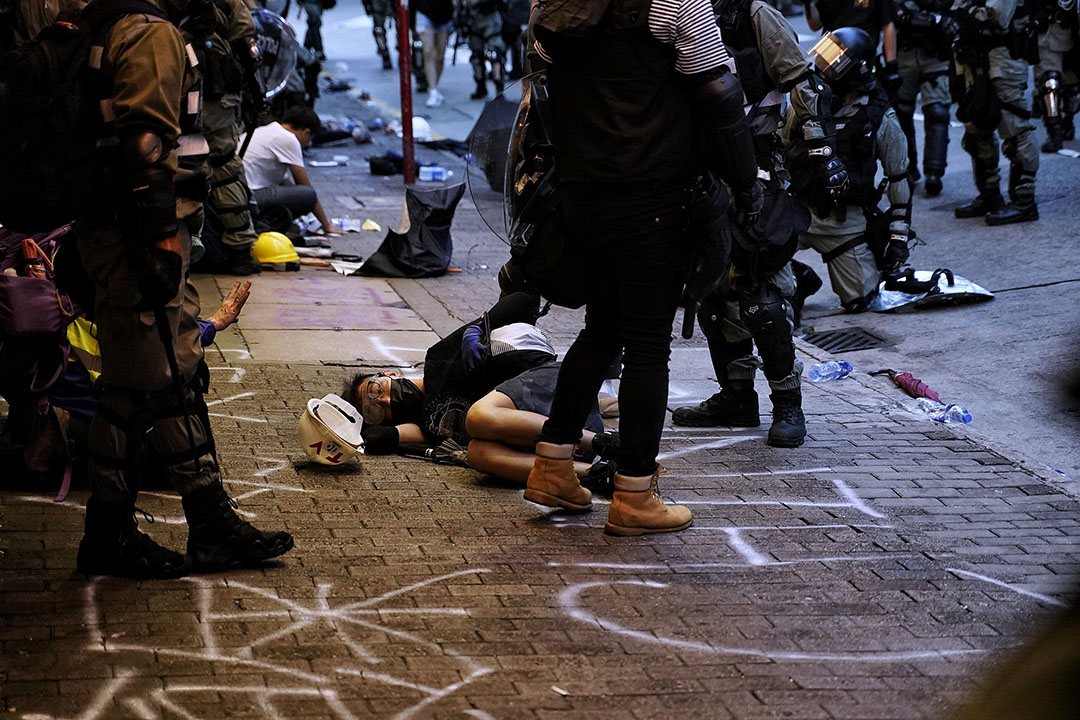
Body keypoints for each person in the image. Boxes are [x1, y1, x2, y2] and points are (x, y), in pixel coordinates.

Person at [520, 0, 762, 535]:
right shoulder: (674, 4)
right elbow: (720, 93)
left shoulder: (557, 7)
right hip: (651, 196)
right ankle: (634, 494)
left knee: (602, 328)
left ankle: (552, 465)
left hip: (581, 194)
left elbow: (542, 84)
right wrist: (746, 183)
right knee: (648, 344)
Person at [75, 0, 293, 579]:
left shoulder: (132, 25)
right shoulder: (150, 36)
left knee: (143, 378)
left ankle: (131, 530)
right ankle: (187, 527)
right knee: (164, 376)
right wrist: (159, 245)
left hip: (137, 236)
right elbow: (145, 147)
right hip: (140, 238)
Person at [672, 0, 843, 448]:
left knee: (762, 297)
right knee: (711, 291)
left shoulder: (753, 14)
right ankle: (736, 395)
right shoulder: (669, 11)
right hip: (699, 172)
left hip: (758, 169)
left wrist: (821, 150)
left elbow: (804, 84)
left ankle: (788, 403)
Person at [786, 27, 913, 312]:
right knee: (751, 274)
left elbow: (899, 177)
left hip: (843, 221)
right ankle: (797, 278)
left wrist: (898, 237)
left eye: (834, 60)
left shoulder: (878, 117)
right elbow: (778, 148)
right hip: (795, 213)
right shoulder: (806, 100)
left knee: (861, 300)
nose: (823, 67)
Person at [182, 0, 264, 275]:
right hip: (214, 83)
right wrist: (257, 90)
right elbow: (244, 32)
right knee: (225, 166)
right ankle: (239, 250)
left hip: (174, 75)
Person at [951, 0, 1040, 224]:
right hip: (977, 57)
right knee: (976, 129)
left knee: (1014, 128)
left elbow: (996, 20)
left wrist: (964, 9)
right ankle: (990, 195)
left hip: (1004, 59)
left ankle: (1024, 201)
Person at [241, 105, 345, 236]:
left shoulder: (268, 130)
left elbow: (286, 182)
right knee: (308, 195)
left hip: (240, 194)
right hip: (249, 198)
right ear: (306, 132)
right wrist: (327, 225)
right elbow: (304, 185)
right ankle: (262, 224)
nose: (307, 144)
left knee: (296, 194)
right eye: (309, 139)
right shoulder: (288, 139)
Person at [892, 0, 958, 194]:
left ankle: (934, 172)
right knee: (900, 114)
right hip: (904, 54)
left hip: (935, 56)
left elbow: (955, 16)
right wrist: (934, 20)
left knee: (937, 112)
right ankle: (908, 168)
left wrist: (941, 19)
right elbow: (898, 14)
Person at [805, 0, 901, 90]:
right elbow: (815, 25)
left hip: (861, 60)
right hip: (830, 57)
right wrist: (808, 4)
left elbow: (888, 25)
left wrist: (891, 66)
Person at [1034, 0, 1079, 153]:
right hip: (1049, 28)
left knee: (1073, 81)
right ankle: (1055, 132)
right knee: (1049, 82)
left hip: (1072, 27)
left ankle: (1067, 122)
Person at [455, 0, 504, 100]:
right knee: (476, 57)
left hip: (489, 16)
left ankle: (499, 87)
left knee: (494, 53)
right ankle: (480, 86)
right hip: (472, 19)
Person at [414, 0, 454, 107]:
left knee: (440, 56)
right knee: (428, 52)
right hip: (424, 12)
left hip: (444, 14)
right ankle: (432, 90)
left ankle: (434, 85)